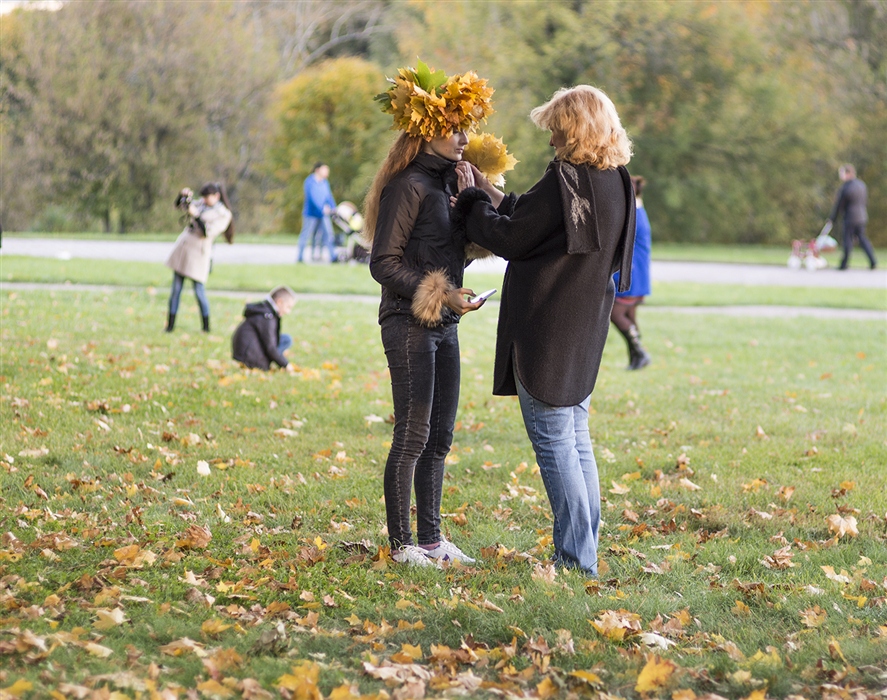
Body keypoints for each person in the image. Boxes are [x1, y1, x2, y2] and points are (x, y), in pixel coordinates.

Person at [451, 85, 636, 577]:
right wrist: (490, 193)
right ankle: (584, 551)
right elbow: (536, 217)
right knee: (576, 440)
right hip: (583, 331)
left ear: (575, 130)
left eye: (557, 130)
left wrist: (470, 200)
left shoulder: (568, 179)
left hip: (548, 330)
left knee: (557, 444)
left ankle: (576, 561)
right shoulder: (614, 180)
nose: (551, 140)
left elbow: (510, 238)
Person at [364, 60, 494, 567]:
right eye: (453, 129)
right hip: (406, 322)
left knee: (440, 437)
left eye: (466, 128)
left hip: (446, 324)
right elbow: (383, 263)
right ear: (427, 130)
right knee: (413, 436)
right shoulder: (408, 185)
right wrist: (439, 293)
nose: (464, 138)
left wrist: (474, 192)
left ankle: (433, 541)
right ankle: (402, 546)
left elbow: (458, 247)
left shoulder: (449, 183)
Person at [165, 182, 234, 333]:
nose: (204, 199)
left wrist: (195, 215)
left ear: (216, 196)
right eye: (203, 197)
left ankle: (206, 327)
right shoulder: (201, 204)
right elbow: (180, 206)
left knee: (199, 291)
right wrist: (183, 196)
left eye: (207, 197)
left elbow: (207, 232)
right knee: (176, 290)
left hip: (199, 254)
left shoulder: (223, 214)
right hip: (184, 250)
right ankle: (170, 326)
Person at [610, 176, 652, 370]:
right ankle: (637, 356)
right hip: (638, 273)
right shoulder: (638, 211)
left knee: (615, 314)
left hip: (632, 274)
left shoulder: (633, 214)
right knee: (629, 314)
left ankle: (640, 353)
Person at [231, 286, 297, 370]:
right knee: (285, 340)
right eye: (288, 307)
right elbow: (270, 347)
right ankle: (270, 361)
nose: (288, 312)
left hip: (246, 352)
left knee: (286, 339)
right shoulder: (267, 317)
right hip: (250, 359)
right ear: (279, 302)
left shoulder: (264, 310)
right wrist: (286, 365)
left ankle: (275, 359)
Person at [827, 164, 877, 270]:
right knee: (862, 239)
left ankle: (844, 264)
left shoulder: (846, 187)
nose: (840, 175)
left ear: (847, 173)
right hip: (862, 216)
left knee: (847, 240)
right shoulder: (861, 185)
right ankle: (873, 261)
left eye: (842, 173)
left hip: (850, 218)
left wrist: (832, 218)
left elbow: (839, 205)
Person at [296, 163, 338, 263]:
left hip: (323, 214)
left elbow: (328, 196)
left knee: (328, 234)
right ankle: (300, 257)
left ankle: (333, 256)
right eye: (325, 169)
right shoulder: (309, 182)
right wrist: (321, 208)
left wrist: (333, 207)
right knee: (306, 235)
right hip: (311, 214)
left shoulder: (325, 182)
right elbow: (312, 198)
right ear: (318, 170)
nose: (327, 172)